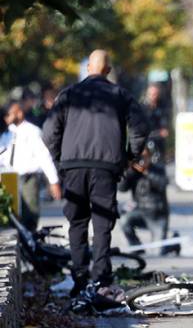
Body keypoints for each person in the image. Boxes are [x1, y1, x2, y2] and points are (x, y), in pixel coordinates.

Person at [42, 50, 148, 304]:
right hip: (106, 168)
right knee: (102, 225)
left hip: (73, 168)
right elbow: (141, 129)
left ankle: (80, 281)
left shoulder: (68, 95)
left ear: (88, 67)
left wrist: (61, 160)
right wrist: (128, 158)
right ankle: (100, 280)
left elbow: (49, 133)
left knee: (77, 224)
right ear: (108, 70)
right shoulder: (120, 95)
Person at [2, 101, 63, 230]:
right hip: (9, 179)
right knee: (11, 216)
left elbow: (44, 157)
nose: (6, 118)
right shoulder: (6, 134)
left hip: (27, 179)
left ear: (19, 112)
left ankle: (31, 243)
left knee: (30, 214)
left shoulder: (32, 131)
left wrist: (53, 181)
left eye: (9, 114)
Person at [119, 141, 175, 255]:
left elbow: (162, 183)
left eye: (145, 156)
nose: (142, 160)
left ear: (150, 156)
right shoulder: (134, 172)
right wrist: (129, 171)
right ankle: (136, 247)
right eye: (140, 157)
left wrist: (146, 171)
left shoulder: (158, 169)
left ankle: (174, 244)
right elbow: (121, 188)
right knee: (123, 220)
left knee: (158, 252)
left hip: (157, 216)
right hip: (140, 212)